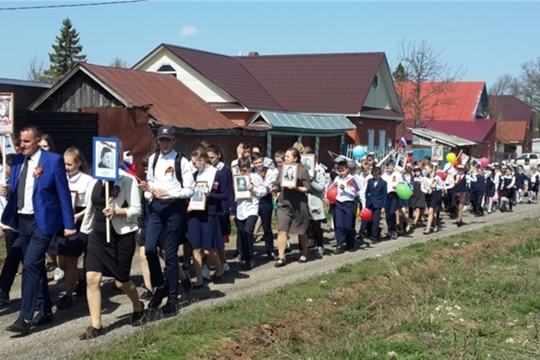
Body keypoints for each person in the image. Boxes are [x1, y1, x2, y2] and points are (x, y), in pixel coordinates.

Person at [0, 125, 76, 335]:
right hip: (22, 220)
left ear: (37, 140)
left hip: (43, 221)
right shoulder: (16, 161)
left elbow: (63, 193)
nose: (21, 145)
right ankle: (45, 308)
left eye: (26, 141)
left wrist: (69, 224)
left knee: (31, 264)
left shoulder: (52, 161)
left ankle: (25, 316)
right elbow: (17, 189)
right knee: (35, 266)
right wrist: (7, 191)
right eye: (20, 141)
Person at [78, 149, 144, 340]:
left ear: (117, 160)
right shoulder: (93, 181)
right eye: (103, 158)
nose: (105, 161)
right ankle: (96, 325)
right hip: (97, 236)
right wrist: (84, 231)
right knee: (92, 278)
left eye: (109, 158)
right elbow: (90, 209)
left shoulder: (127, 180)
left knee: (121, 282)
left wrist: (118, 212)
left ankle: (138, 306)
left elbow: (136, 210)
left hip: (120, 237)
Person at [139, 125, 194, 314]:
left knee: (170, 254)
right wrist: (149, 191)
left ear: (174, 141)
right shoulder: (153, 158)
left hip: (174, 208)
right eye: (161, 139)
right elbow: (152, 181)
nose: (164, 143)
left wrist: (168, 192)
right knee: (149, 249)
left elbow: (190, 189)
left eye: (168, 140)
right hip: (156, 207)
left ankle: (172, 298)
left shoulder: (182, 162)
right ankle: (160, 286)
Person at [55, 147, 94, 309]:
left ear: (78, 163)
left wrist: (79, 215)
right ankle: (82, 278)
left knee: (71, 260)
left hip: (78, 218)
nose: (66, 167)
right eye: (64, 164)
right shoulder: (60, 177)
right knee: (60, 261)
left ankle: (68, 295)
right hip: (63, 218)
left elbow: (92, 205)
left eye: (69, 164)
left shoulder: (87, 180)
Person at [188, 148, 226, 285]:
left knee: (208, 248)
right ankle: (199, 279)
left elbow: (225, 195)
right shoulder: (195, 174)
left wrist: (210, 195)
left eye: (195, 163)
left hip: (210, 213)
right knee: (195, 247)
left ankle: (219, 266)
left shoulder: (218, 174)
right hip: (194, 212)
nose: (193, 166)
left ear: (202, 161)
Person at [272, 147, 311, 267]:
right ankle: (281, 257)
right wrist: (275, 188)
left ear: (295, 158)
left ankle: (304, 253)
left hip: (299, 206)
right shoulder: (282, 169)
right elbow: (277, 183)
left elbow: (307, 189)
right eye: (285, 156)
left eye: (288, 156)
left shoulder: (302, 171)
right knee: (282, 230)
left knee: (301, 231)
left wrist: (296, 188)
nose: (285, 158)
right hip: (283, 205)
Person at [230, 157, 267, 269]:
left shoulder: (256, 178)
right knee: (242, 234)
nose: (243, 172)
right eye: (241, 170)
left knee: (248, 231)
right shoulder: (238, 178)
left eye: (245, 170)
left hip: (252, 208)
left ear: (249, 167)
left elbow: (263, 192)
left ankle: (251, 258)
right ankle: (245, 257)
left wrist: (253, 189)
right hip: (241, 209)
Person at [250, 152, 277, 259]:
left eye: (260, 162)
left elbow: (267, 188)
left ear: (263, 161)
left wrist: (255, 187)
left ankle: (270, 249)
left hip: (265, 201)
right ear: (252, 163)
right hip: (252, 201)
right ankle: (249, 250)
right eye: (256, 163)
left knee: (267, 226)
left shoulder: (268, 171)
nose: (258, 164)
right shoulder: (250, 171)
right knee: (250, 226)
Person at [361, 167, 387, 242]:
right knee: (369, 220)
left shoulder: (383, 183)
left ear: (380, 174)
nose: (375, 177)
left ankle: (374, 236)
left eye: (377, 176)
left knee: (376, 221)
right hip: (370, 203)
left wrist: (383, 206)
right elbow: (367, 191)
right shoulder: (370, 181)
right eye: (374, 176)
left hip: (378, 204)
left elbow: (385, 195)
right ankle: (369, 233)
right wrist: (367, 200)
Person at [421, 163, 445, 234]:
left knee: (430, 211)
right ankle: (435, 225)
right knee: (433, 214)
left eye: (426, 169)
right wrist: (427, 190)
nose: (425, 170)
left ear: (431, 169)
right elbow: (422, 187)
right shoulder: (425, 178)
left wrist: (435, 187)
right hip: (428, 196)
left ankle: (428, 229)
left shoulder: (437, 178)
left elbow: (442, 186)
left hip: (435, 195)